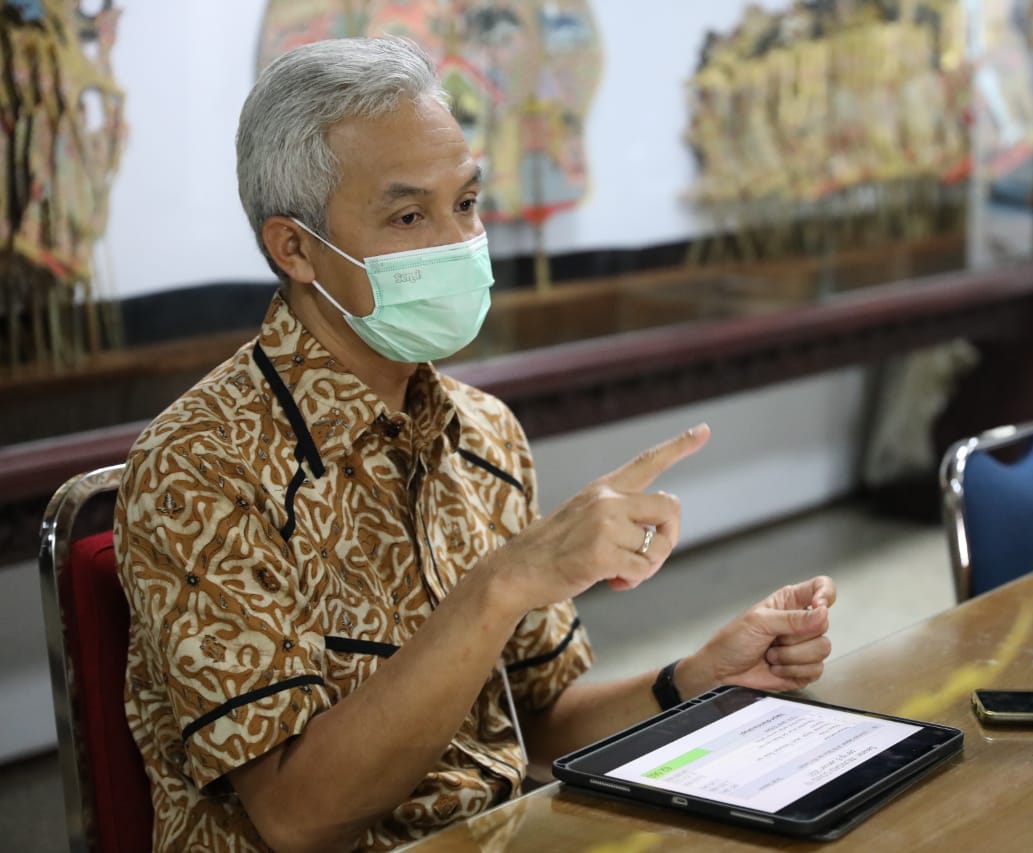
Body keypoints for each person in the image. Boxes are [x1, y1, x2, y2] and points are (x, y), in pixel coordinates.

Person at [116, 37, 836, 853]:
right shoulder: (202, 465)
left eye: (465, 204)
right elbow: (298, 817)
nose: (459, 242)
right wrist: (501, 583)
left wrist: (698, 677)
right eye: (408, 215)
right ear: (296, 248)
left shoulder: (484, 434)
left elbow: (544, 721)